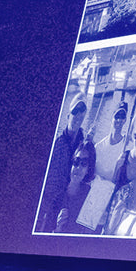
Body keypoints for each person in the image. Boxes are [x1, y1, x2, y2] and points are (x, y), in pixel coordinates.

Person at [37, 97, 88, 231]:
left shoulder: (85, 146)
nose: (78, 115)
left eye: (82, 110)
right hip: (52, 204)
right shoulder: (56, 144)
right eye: (75, 111)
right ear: (67, 115)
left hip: (71, 204)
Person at [53, 139, 102, 234]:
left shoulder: (91, 198)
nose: (78, 167)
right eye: (76, 161)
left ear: (88, 169)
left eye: (84, 163)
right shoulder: (57, 194)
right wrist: (57, 228)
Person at [91, 99, 130, 193]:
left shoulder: (128, 146)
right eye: (117, 116)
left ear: (125, 120)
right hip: (94, 191)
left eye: (122, 117)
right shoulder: (98, 147)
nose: (119, 120)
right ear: (112, 118)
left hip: (112, 193)